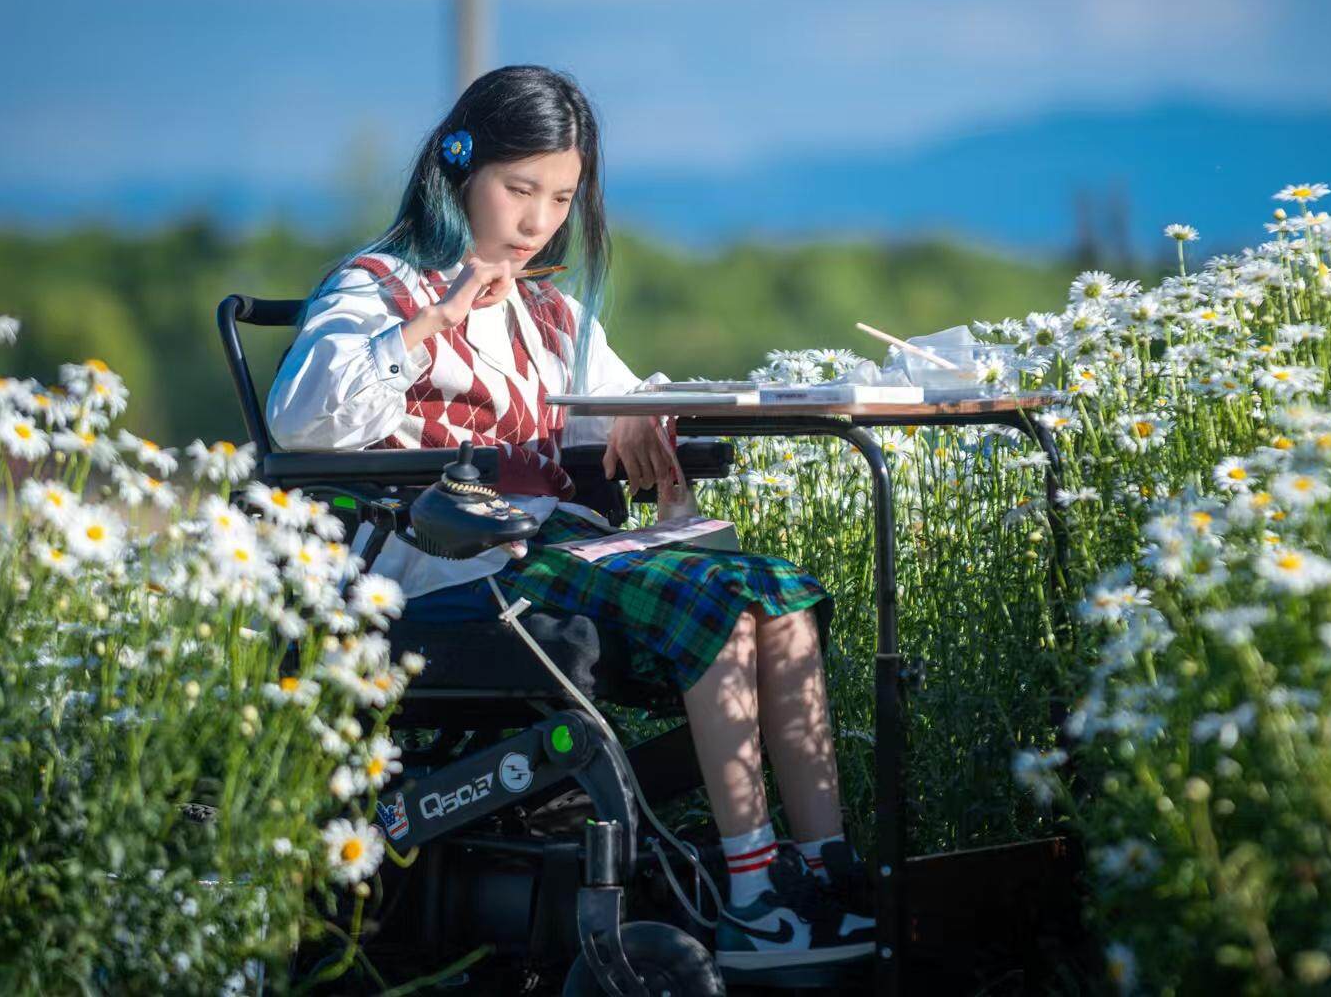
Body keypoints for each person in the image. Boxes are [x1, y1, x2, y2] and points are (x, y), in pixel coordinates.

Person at [264, 65, 875, 972]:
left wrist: (641, 412)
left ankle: (826, 869)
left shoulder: (550, 313)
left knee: (770, 594)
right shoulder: (378, 286)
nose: (538, 220)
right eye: (519, 190)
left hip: (540, 553)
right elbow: (298, 417)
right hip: (443, 563)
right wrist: (434, 319)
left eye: (560, 197)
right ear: (457, 165)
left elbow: (617, 395)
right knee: (711, 602)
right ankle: (751, 898)